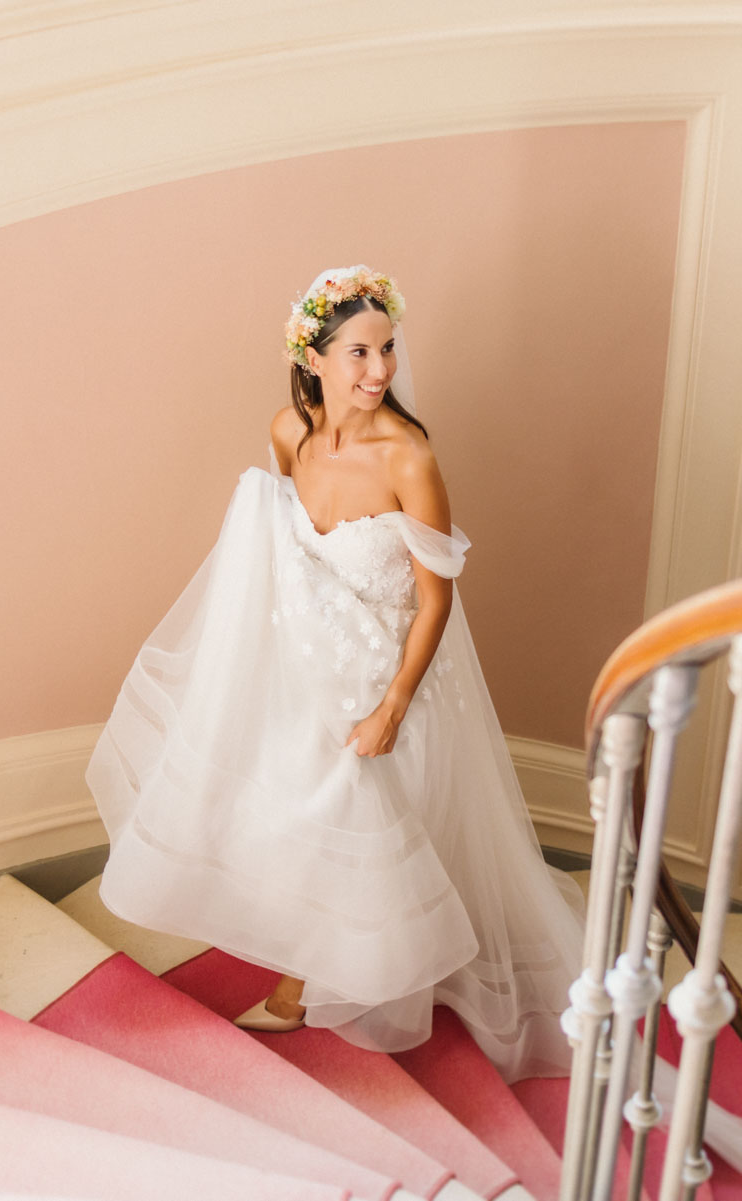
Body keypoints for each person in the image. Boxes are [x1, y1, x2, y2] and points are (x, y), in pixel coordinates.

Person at [85, 265, 586, 1081]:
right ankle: (313, 948)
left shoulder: (409, 459)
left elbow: (436, 601)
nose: (380, 370)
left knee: (354, 800)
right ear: (312, 357)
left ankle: (306, 985)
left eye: (388, 349)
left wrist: (393, 706)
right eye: (359, 352)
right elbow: (288, 554)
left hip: (389, 675)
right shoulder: (289, 432)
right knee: (267, 795)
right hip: (310, 659)